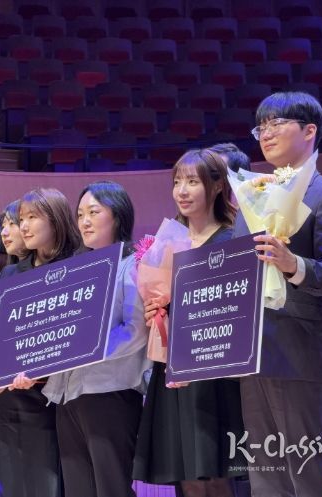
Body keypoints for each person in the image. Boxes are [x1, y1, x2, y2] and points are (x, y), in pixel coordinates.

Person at [235, 92, 322, 496]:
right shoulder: (252, 195)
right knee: (265, 476)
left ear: (309, 131)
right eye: (261, 126)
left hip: (301, 353)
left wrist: (293, 264)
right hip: (253, 354)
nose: (265, 133)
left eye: (276, 123)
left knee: (307, 476)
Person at [133, 150, 245, 497]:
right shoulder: (167, 244)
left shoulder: (234, 239)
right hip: (173, 372)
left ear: (217, 186)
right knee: (185, 474)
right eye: (177, 181)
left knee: (216, 473)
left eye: (192, 181)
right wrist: (155, 313)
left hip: (216, 373)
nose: (182, 190)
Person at [42, 181, 151, 497]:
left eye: (94, 212)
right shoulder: (75, 272)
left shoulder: (133, 265)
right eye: (80, 215)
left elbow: (135, 330)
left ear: (117, 216)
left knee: (112, 488)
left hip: (110, 394)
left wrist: (85, 349)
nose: (84, 221)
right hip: (67, 395)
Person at [0, 187, 81, 497]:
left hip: (53, 402)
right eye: (21, 219)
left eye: (32, 218)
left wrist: (42, 371)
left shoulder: (78, 266)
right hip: (7, 400)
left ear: (55, 220)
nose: (24, 226)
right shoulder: (9, 274)